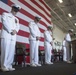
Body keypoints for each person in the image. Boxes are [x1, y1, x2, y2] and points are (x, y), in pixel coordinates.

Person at [0, 4, 21, 71]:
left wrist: (16, 31)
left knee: (11, 52)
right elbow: (4, 22)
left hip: (13, 36)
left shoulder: (17, 19)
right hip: (6, 34)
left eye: (16, 11)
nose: (15, 12)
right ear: (12, 8)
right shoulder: (5, 14)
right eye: (14, 10)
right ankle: (3, 66)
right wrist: (11, 30)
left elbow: (18, 26)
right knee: (5, 51)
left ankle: (9, 65)